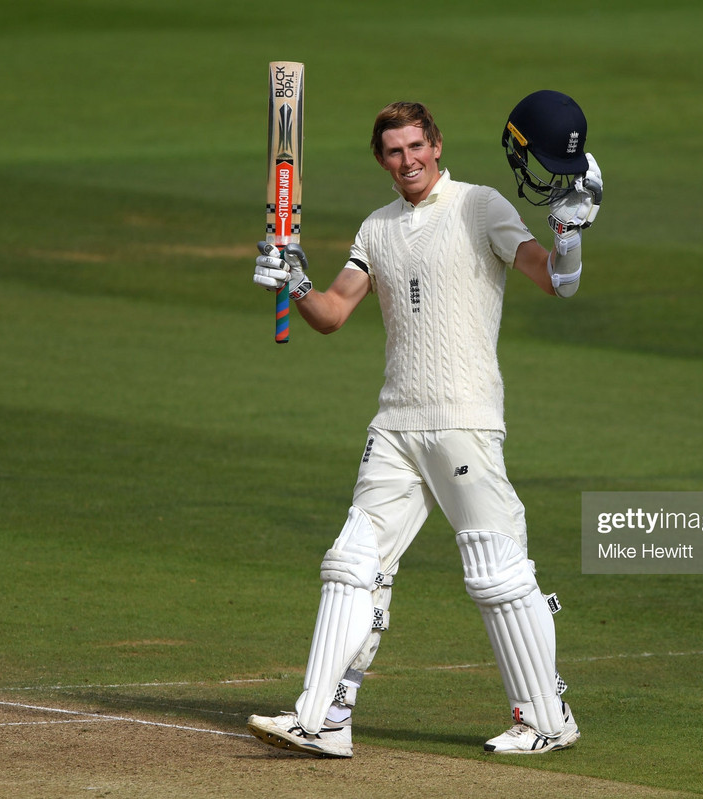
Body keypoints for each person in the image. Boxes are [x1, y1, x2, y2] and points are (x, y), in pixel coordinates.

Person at [246, 92, 602, 759]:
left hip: (464, 420)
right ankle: (320, 718)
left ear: (436, 145)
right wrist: (292, 281)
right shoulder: (376, 227)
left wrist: (571, 235)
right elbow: (329, 313)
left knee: (496, 574)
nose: (407, 159)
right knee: (352, 564)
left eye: (416, 146)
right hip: (396, 424)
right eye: (393, 150)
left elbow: (556, 281)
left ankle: (547, 719)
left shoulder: (480, 205)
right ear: (381, 159)